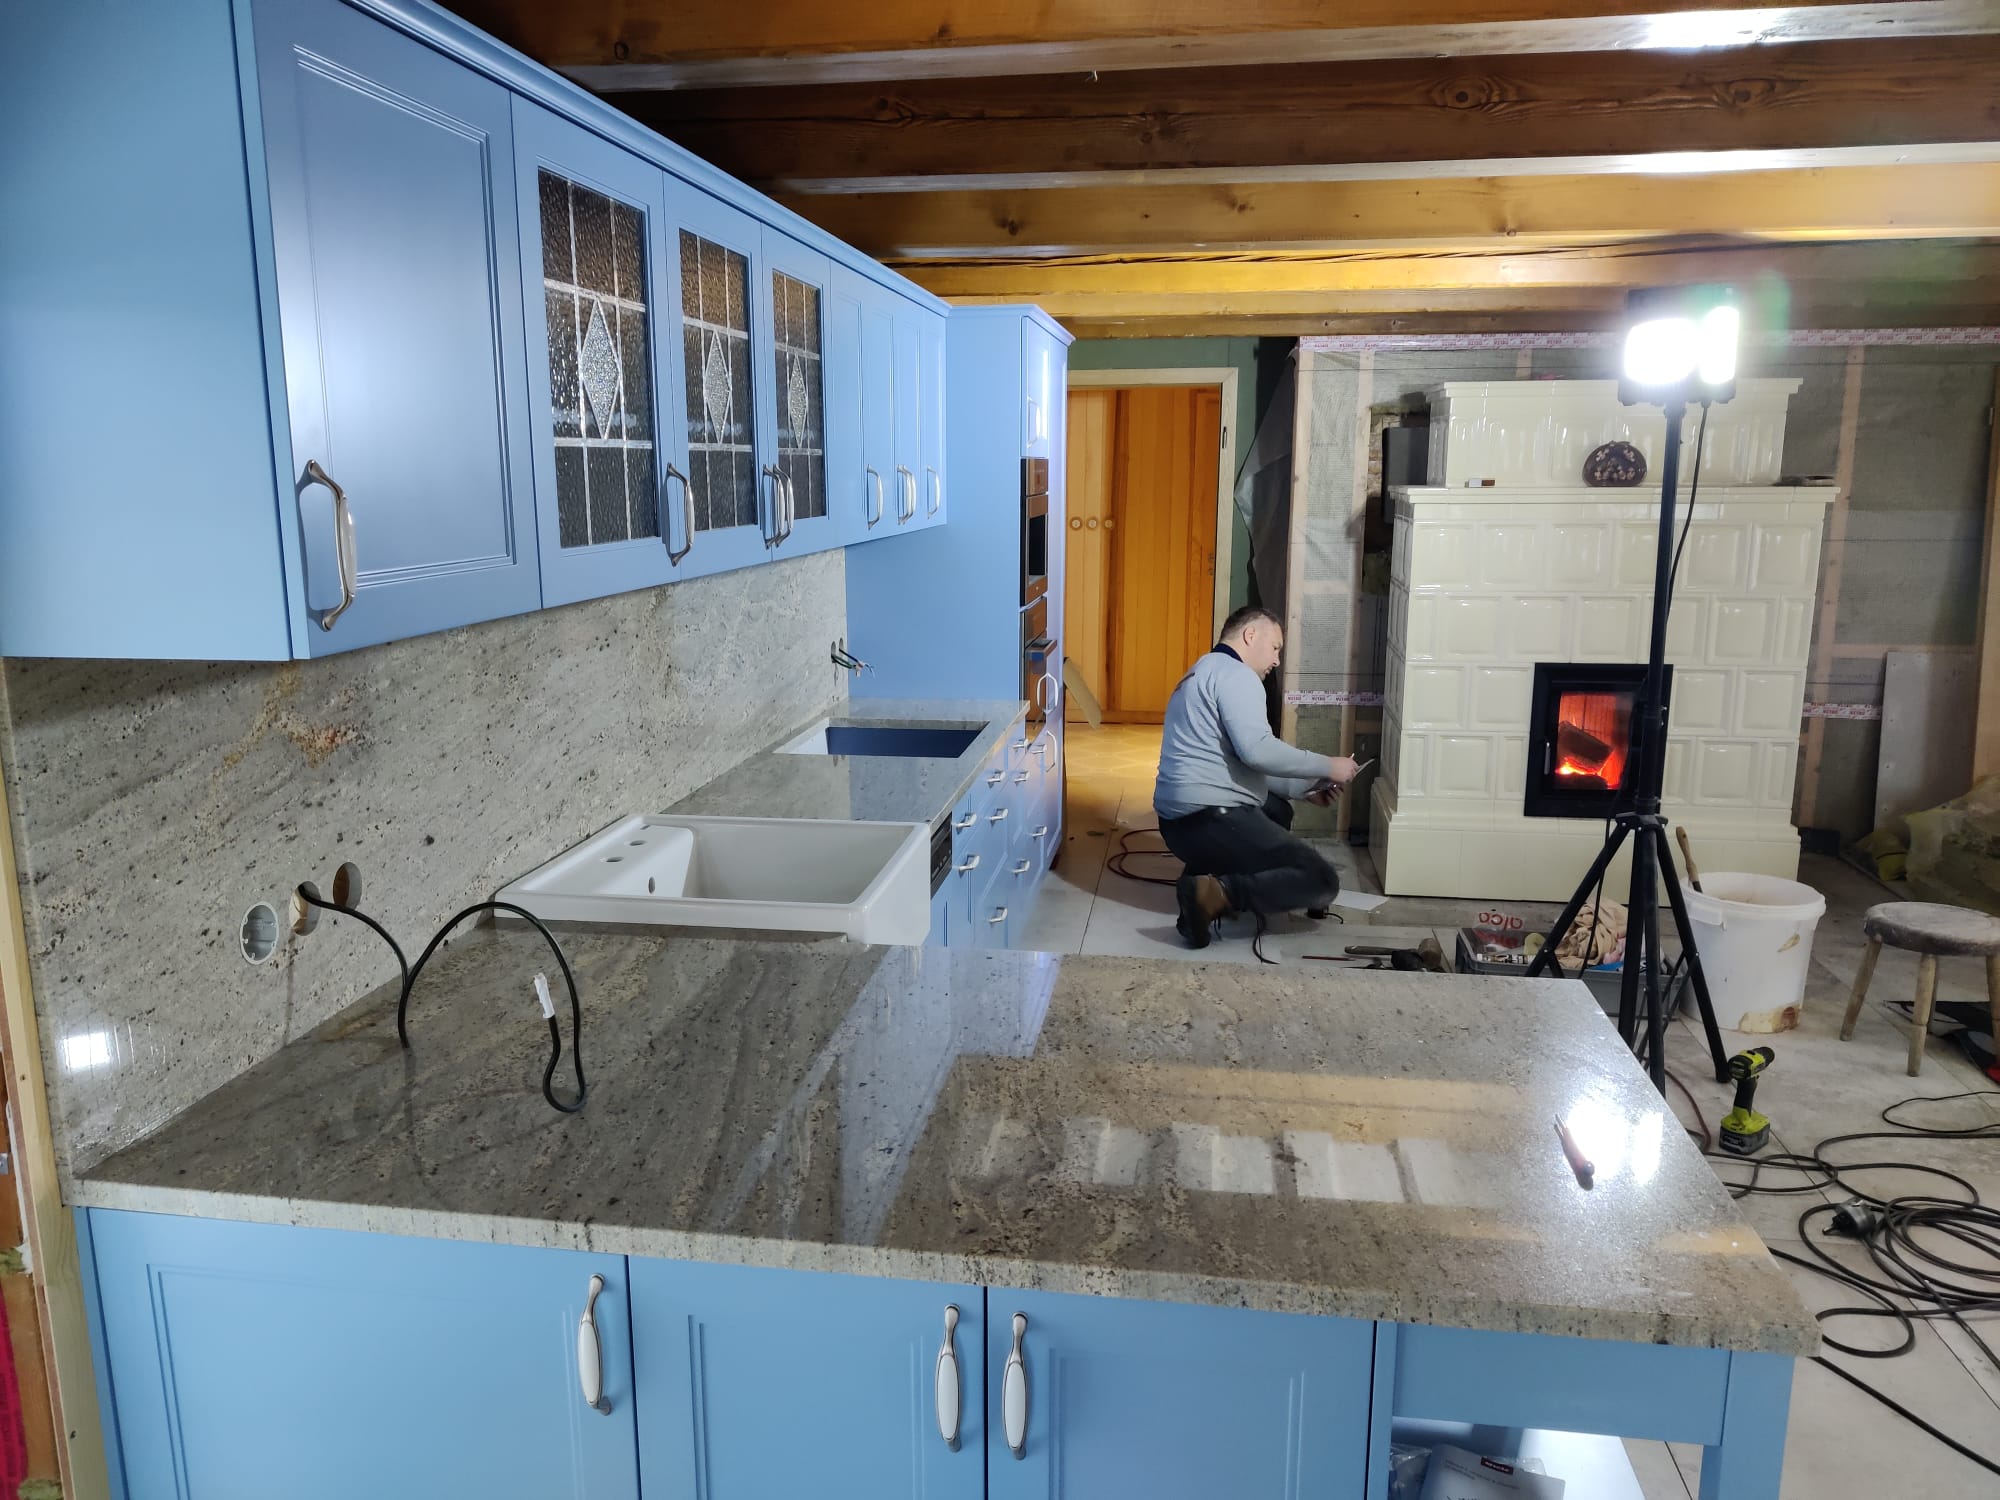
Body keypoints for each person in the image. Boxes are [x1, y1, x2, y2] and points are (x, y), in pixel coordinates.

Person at [1153, 605, 1360, 948]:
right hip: (1212, 818)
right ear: (1250, 635)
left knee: (1277, 809)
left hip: (1179, 826)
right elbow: (1257, 751)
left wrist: (1304, 788)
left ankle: (1203, 877)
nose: (1277, 660)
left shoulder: (1201, 671)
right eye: (1275, 647)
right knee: (1321, 879)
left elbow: (1237, 761)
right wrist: (1328, 766)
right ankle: (1217, 894)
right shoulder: (1238, 675)